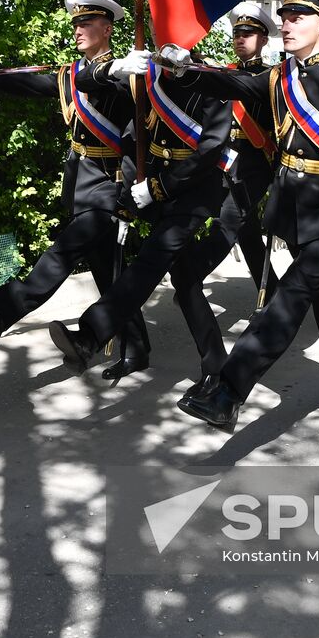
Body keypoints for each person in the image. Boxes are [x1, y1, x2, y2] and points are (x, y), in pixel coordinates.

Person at [173, 0, 319, 434]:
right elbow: (231, 86)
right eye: (285, 16)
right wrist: (180, 68)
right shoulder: (279, 76)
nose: (287, 24)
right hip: (294, 210)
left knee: (285, 302)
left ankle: (229, 392)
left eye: (300, 16)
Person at [0, 0, 151, 374]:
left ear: (107, 29)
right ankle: (137, 348)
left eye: (86, 23)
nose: (77, 29)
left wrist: (129, 191)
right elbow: (31, 85)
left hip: (107, 189)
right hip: (80, 186)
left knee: (59, 257)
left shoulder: (124, 74)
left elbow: (126, 126)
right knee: (110, 274)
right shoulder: (73, 74)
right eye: (75, 23)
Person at [46, 25, 234, 379]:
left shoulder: (211, 79)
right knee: (184, 278)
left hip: (193, 188)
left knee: (151, 260)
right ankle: (213, 365)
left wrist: (159, 186)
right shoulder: (149, 76)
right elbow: (91, 89)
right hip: (154, 184)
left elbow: (211, 148)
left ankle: (89, 334)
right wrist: (132, 189)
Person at [169, 1, 280, 397]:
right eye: (236, 33)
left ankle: (197, 273)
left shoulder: (271, 78)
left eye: (247, 34)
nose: (239, 39)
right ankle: (275, 293)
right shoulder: (225, 74)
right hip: (221, 163)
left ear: (263, 39)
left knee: (231, 223)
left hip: (254, 163)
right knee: (247, 231)